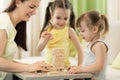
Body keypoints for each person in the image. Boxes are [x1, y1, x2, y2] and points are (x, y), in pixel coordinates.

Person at [0, 0, 51, 80]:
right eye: (31, 7)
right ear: (18, 3)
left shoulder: (11, 24)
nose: (35, 13)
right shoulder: (4, 22)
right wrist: (29, 67)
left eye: (36, 8)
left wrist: (33, 66)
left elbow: (6, 60)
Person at [37, 0, 83, 69]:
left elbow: (80, 50)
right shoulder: (47, 30)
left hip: (64, 68)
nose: (61, 22)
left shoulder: (69, 31)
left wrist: (79, 67)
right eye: (58, 18)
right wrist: (45, 40)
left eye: (65, 18)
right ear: (52, 14)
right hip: (48, 68)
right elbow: (39, 49)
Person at [68, 10, 109, 80]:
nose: (80, 34)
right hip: (88, 77)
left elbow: (99, 66)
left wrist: (81, 69)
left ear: (94, 29)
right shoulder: (90, 44)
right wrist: (78, 67)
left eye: (83, 31)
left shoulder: (99, 45)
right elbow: (87, 64)